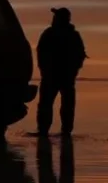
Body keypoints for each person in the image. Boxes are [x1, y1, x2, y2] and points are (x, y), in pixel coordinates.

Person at [37, 7, 87, 136]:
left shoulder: (55, 34)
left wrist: (73, 71)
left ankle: (60, 131)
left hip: (61, 77)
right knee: (50, 105)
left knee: (61, 105)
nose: (53, 19)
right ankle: (48, 131)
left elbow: (80, 55)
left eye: (56, 16)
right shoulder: (55, 34)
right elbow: (41, 53)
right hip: (55, 76)